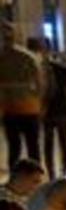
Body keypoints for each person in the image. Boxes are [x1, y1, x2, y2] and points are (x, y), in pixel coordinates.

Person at [28, 38, 66, 179]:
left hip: (49, 112)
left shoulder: (38, 70)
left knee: (49, 144)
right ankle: (63, 170)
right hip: (61, 112)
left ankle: (52, 173)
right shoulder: (63, 69)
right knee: (63, 143)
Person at [0, 21, 44, 170]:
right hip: (29, 108)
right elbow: (40, 85)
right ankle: (35, 175)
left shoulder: (3, 58)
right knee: (32, 146)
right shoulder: (29, 57)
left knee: (14, 147)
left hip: (11, 110)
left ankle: (16, 176)